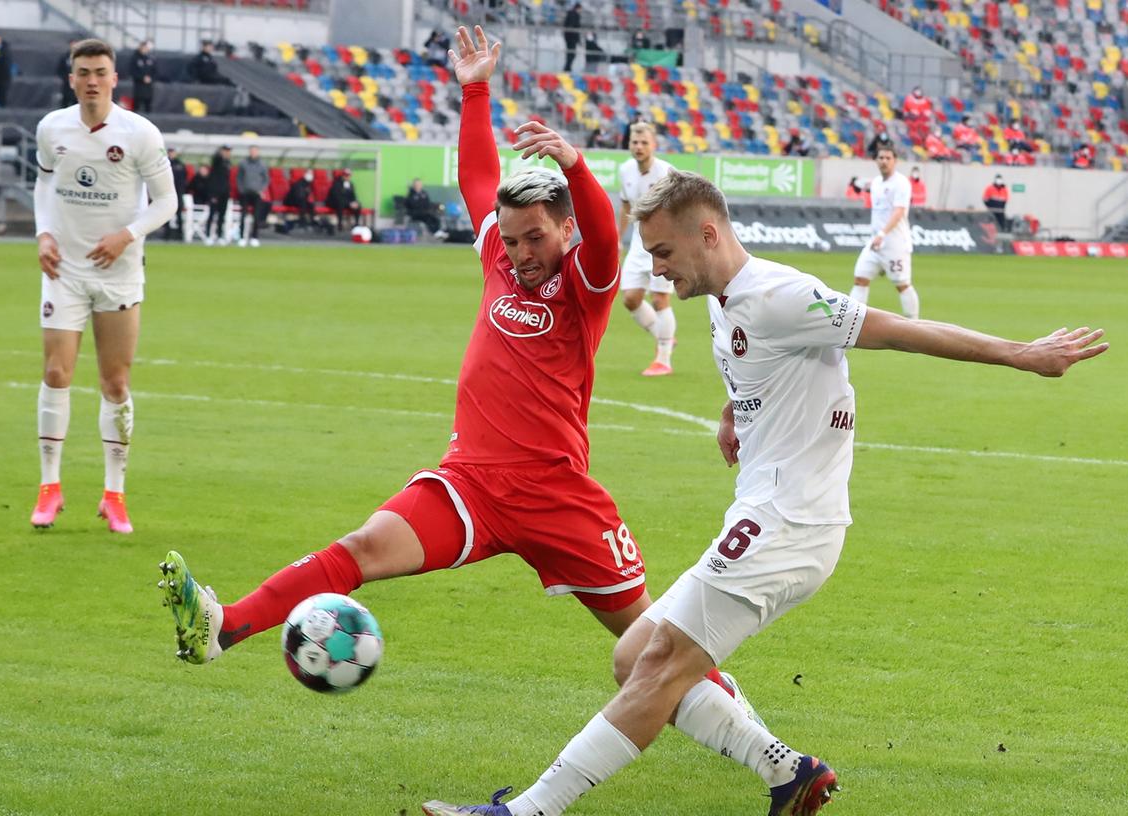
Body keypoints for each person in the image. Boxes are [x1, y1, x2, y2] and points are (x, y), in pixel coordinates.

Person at [422, 169, 1109, 816]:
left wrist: (1023, 354)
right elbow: (755, 362)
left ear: (707, 235)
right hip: (767, 513)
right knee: (633, 652)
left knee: (656, 669)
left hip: (789, 523)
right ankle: (786, 770)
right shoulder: (723, 303)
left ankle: (524, 811)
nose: (656, 269)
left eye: (663, 252)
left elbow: (904, 331)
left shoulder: (779, 295)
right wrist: (734, 414)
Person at [158, 27, 761, 750]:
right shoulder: (502, 262)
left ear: (562, 230)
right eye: (509, 239)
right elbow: (479, 178)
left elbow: (603, 233)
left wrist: (573, 162)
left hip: (555, 494)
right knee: (360, 547)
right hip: (469, 483)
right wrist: (474, 89)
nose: (519, 253)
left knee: (652, 644)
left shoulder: (585, 281)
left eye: (534, 237)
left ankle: (760, 743)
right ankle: (223, 628)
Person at [29, 39, 177, 533]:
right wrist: (43, 233)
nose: (91, 79)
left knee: (115, 382)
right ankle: (49, 486)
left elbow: (166, 203)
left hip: (119, 272)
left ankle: (114, 494)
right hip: (64, 271)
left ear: (115, 79)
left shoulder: (140, 134)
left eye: (100, 72)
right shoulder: (53, 128)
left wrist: (125, 235)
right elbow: (45, 185)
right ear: (71, 78)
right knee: (56, 372)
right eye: (83, 71)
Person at [617, 122, 677, 376]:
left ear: (654, 145)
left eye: (644, 143)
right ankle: (664, 336)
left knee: (659, 298)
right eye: (634, 142)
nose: (639, 147)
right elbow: (626, 207)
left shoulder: (667, 173)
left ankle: (663, 359)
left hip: (663, 244)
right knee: (630, 299)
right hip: (639, 245)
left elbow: (677, 209)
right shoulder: (625, 170)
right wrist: (617, 239)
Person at [850, 145, 920, 319]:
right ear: (876, 160)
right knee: (860, 278)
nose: (884, 161)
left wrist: (882, 234)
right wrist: (878, 236)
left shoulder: (901, 183)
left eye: (888, 158)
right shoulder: (876, 183)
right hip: (875, 243)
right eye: (881, 158)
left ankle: (914, 323)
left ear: (895, 161)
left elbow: (899, 212)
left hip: (895, 243)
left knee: (902, 284)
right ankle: (853, 320)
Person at [236, 146, 269, 247]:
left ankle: (254, 237)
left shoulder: (262, 165)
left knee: (256, 216)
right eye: (252, 151)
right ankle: (241, 237)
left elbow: (266, 179)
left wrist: (261, 189)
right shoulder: (243, 163)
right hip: (245, 193)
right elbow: (239, 178)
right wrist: (241, 189)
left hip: (257, 194)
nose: (253, 153)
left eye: (255, 151)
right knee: (243, 215)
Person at [207, 145, 233, 245]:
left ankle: (219, 235)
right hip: (215, 193)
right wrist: (213, 194)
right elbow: (215, 160)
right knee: (212, 214)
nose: (227, 153)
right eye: (226, 151)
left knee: (222, 216)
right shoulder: (217, 161)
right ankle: (209, 235)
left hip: (224, 193)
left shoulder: (228, 163)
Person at [163, 148, 188, 241]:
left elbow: (184, 178)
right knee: (167, 215)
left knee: (179, 215)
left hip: (178, 193)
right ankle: (167, 235)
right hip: (167, 192)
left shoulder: (180, 164)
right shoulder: (164, 163)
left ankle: (180, 234)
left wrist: (182, 189)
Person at [131, 40, 156, 114]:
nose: (145, 49)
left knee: (148, 105)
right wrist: (142, 78)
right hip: (139, 86)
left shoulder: (151, 59)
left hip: (148, 87)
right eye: (143, 47)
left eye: (146, 48)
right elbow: (132, 71)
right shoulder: (135, 58)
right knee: (137, 106)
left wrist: (151, 78)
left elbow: (155, 71)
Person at [56, 39, 77, 107]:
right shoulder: (65, 57)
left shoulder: (80, 57)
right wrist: (65, 78)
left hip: (76, 84)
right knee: (65, 102)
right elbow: (59, 70)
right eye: (72, 44)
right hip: (66, 85)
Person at [563, 3, 582, 72]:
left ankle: (567, 68)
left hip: (569, 38)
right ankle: (567, 68)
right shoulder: (575, 15)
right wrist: (578, 40)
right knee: (571, 54)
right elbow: (574, 27)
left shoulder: (570, 14)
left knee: (570, 53)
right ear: (578, 8)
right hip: (572, 38)